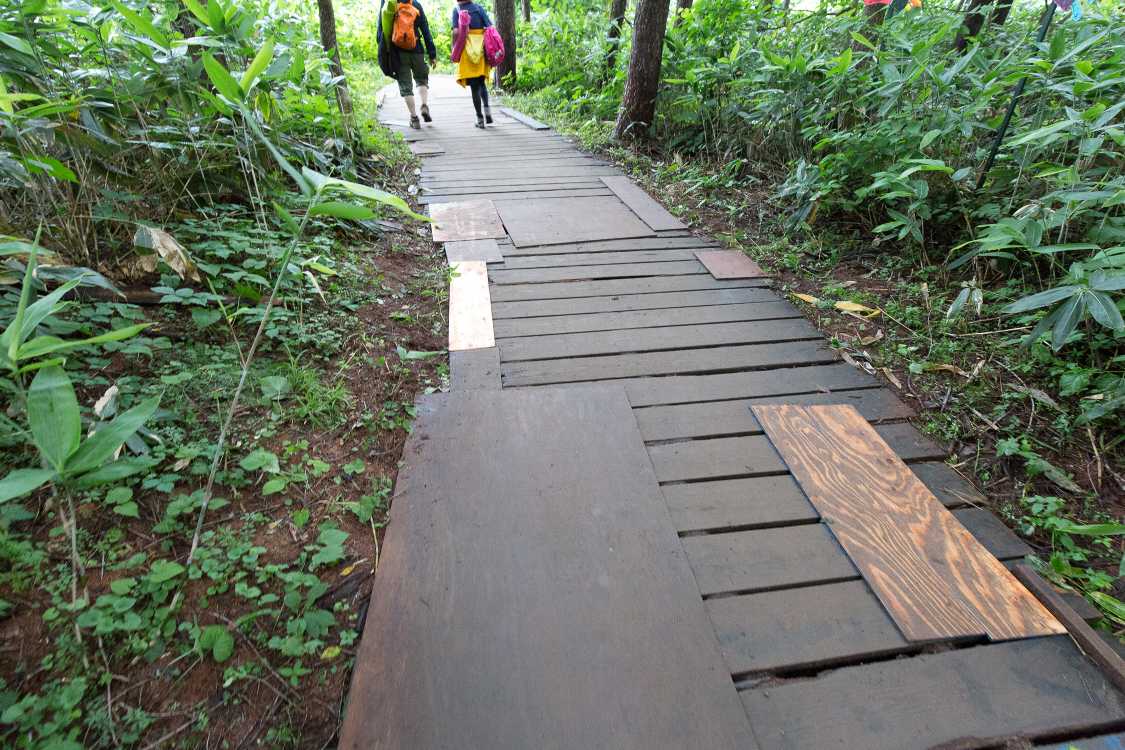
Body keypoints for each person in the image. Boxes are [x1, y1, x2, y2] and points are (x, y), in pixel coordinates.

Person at [379, 0, 437, 129]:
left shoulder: (390, 5)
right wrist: (432, 54)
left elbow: (381, 30)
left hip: (398, 53)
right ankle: (424, 105)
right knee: (421, 80)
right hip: (417, 50)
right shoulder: (416, 5)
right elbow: (426, 31)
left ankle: (414, 118)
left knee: (406, 86)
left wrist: (385, 52)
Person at [451, 0, 493, 129]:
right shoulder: (478, 8)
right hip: (480, 49)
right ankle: (487, 112)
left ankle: (480, 119)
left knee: (474, 87)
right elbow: (490, 27)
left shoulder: (457, 10)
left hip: (467, 51)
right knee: (481, 82)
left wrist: (454, 47)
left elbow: (456, 32)